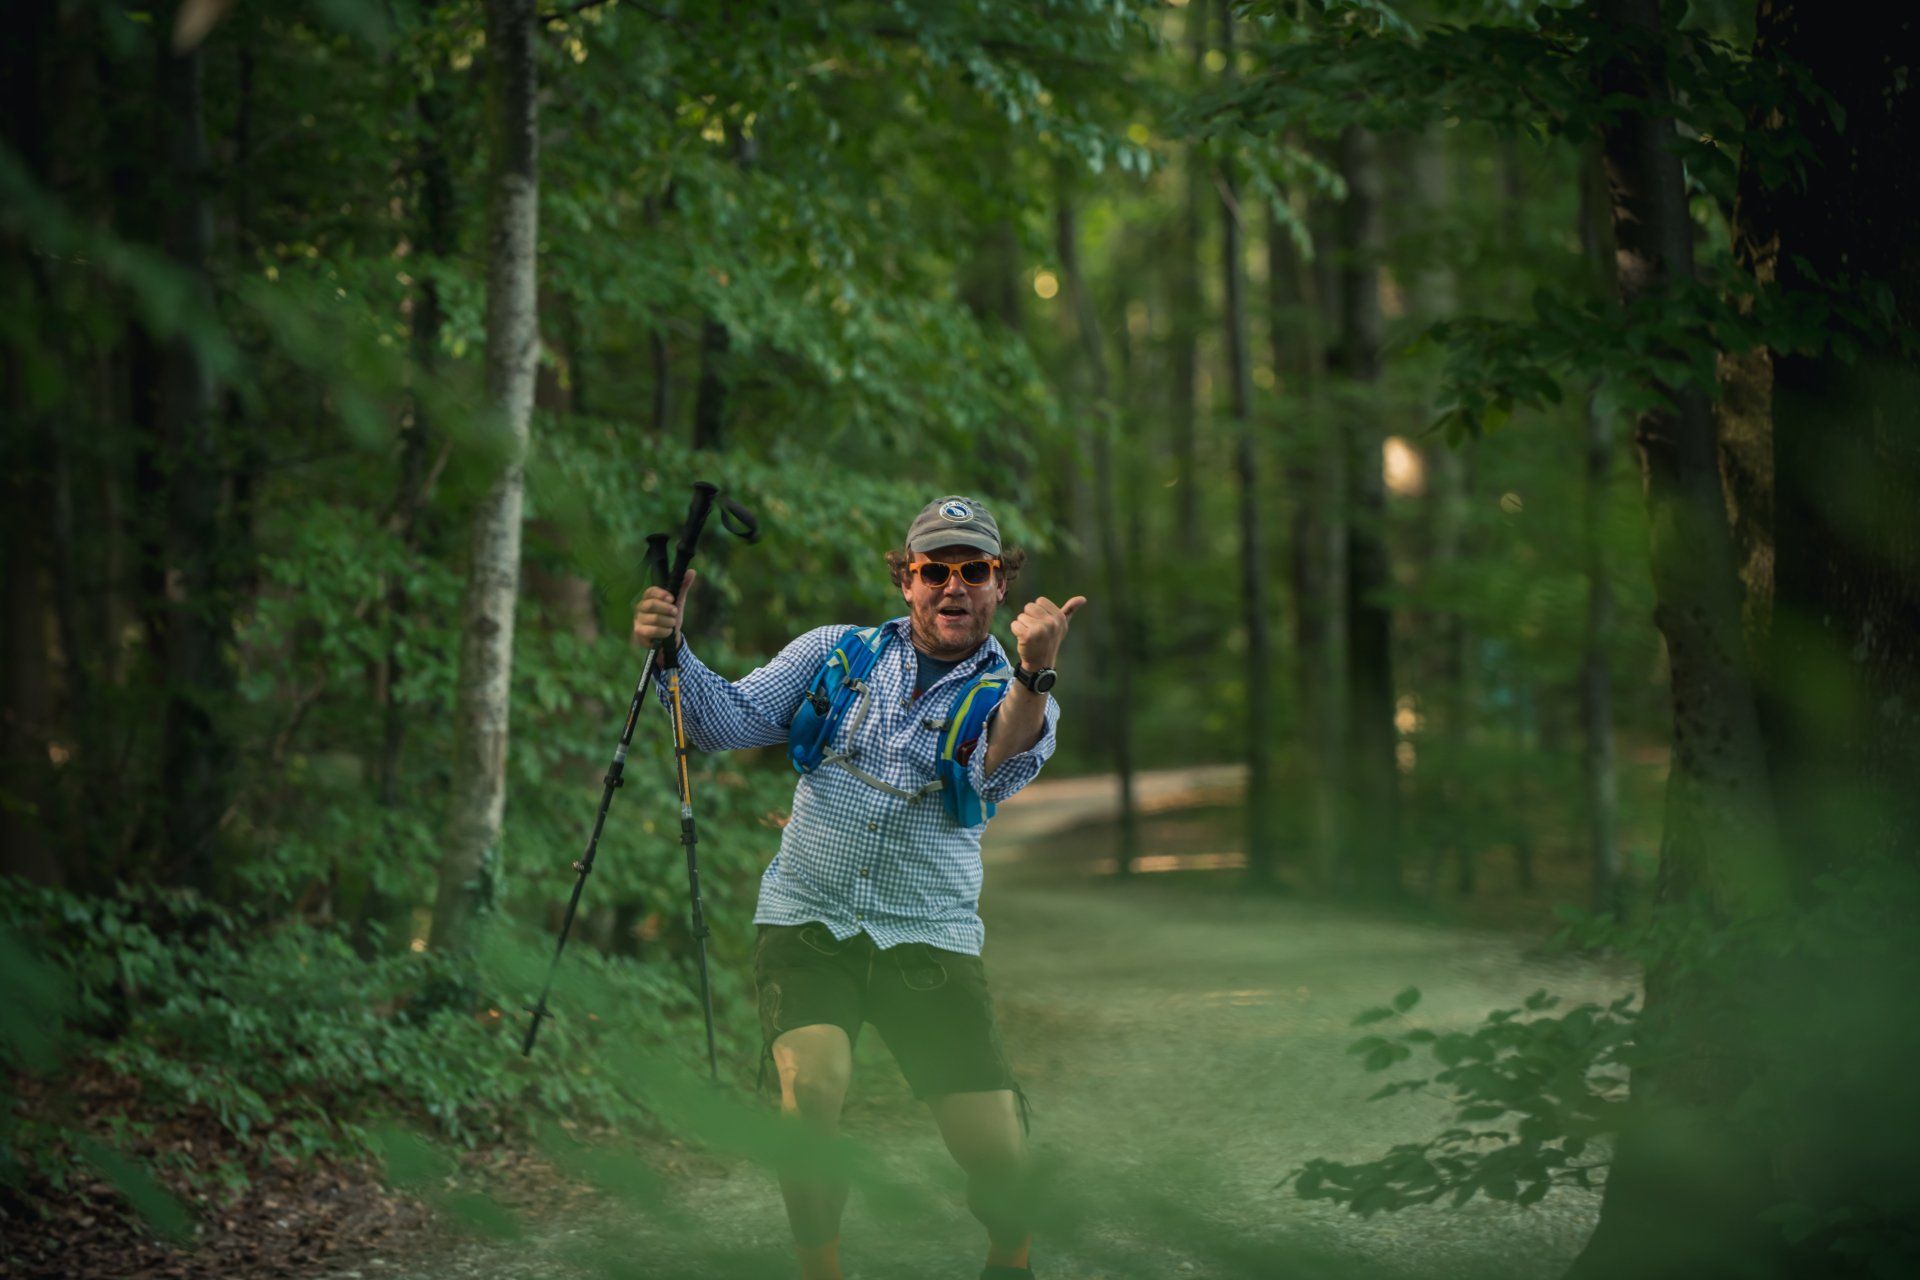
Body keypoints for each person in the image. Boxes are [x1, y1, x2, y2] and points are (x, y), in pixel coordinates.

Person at [632, 495, 1085, 1280]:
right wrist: (673, 648)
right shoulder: (836, 654)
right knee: (811, 1091)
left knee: (994, 1153)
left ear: (999, 587)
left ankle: (1010, 1256)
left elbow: (995, 754)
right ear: (906, 582)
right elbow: (723, 722)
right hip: (807, 920)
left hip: (928, 937)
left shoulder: (1019, 694)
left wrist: (1035, 670)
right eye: (933, 570)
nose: (953, 586)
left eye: (972, 570)